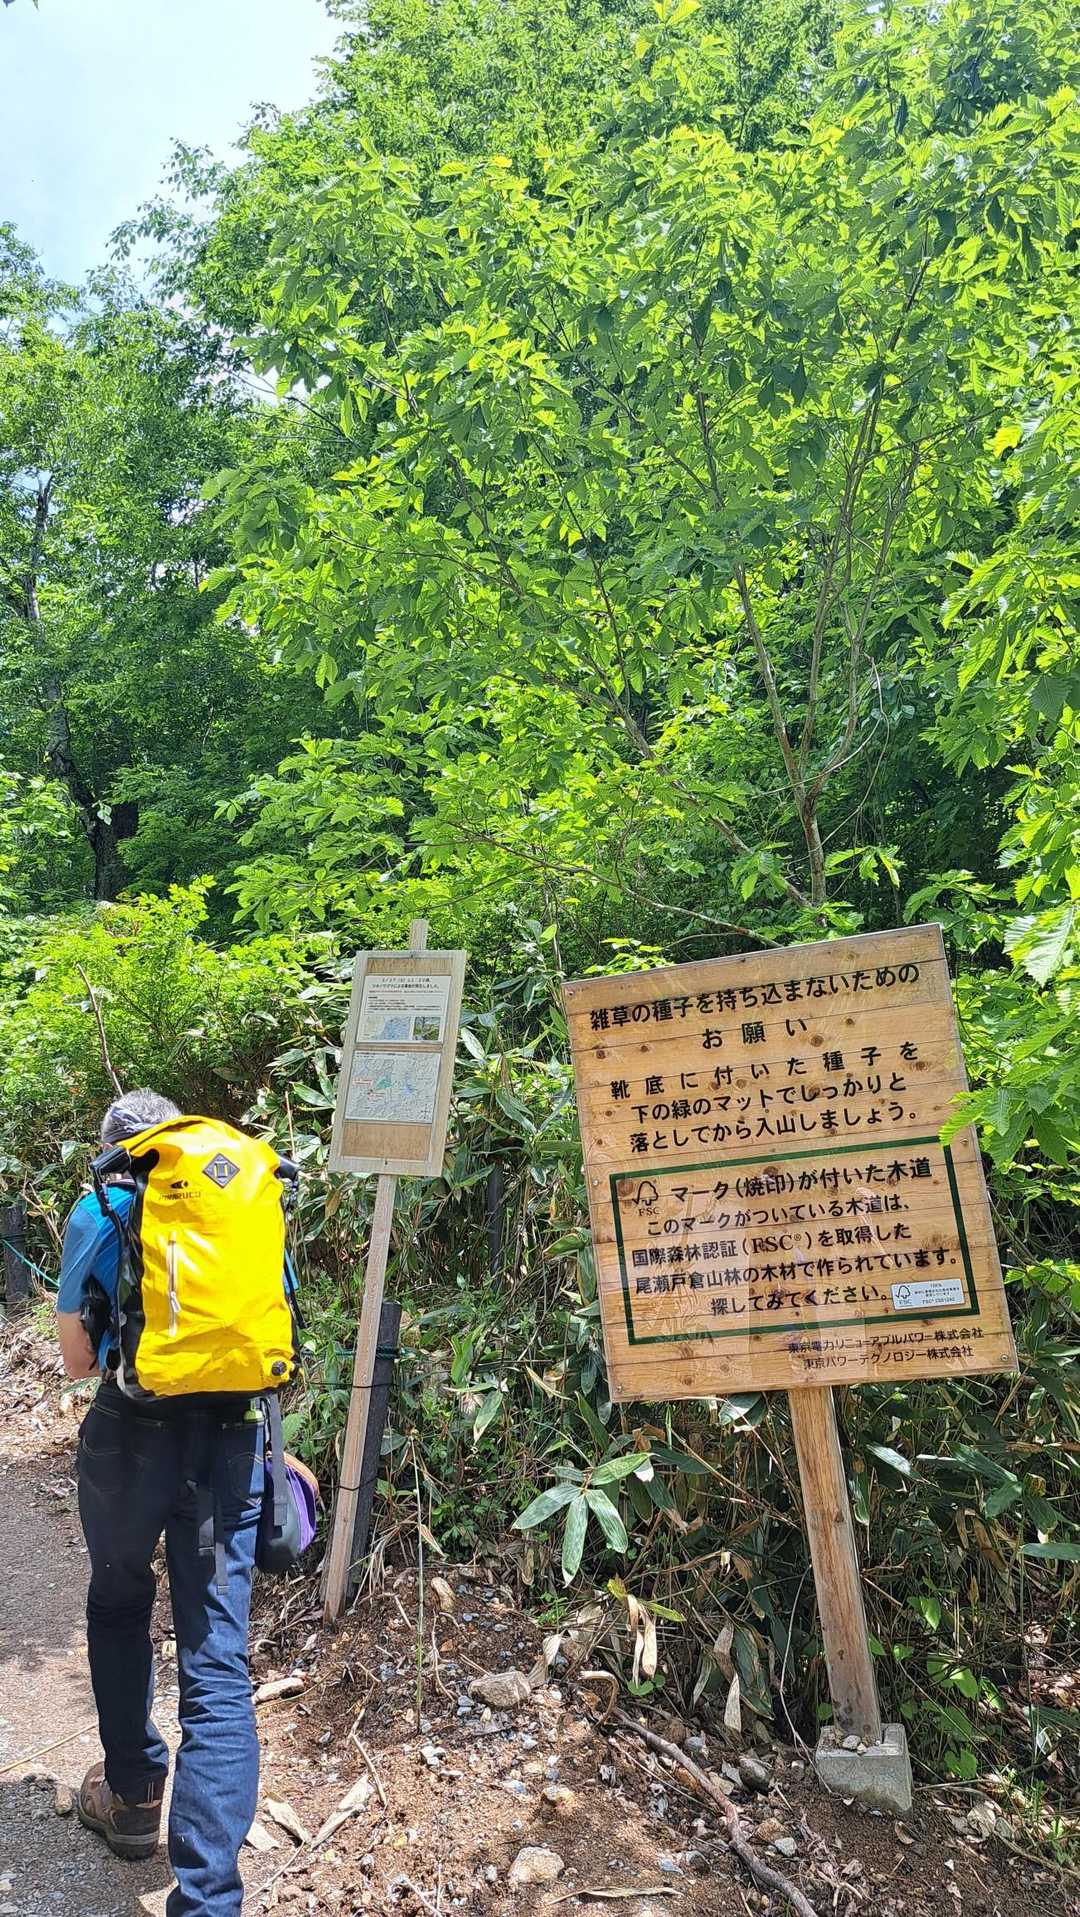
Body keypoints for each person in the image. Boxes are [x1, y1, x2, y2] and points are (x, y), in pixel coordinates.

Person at [56, 1089, 266, 1917]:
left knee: (118, 1601)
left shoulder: (99, 1206)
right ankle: (208, 1900)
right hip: (231, 1439)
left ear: (115, 1147)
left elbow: (78, 1360)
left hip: (132, 1434)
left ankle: (135, 1794)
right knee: (216, 1663)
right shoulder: (241, 1196)